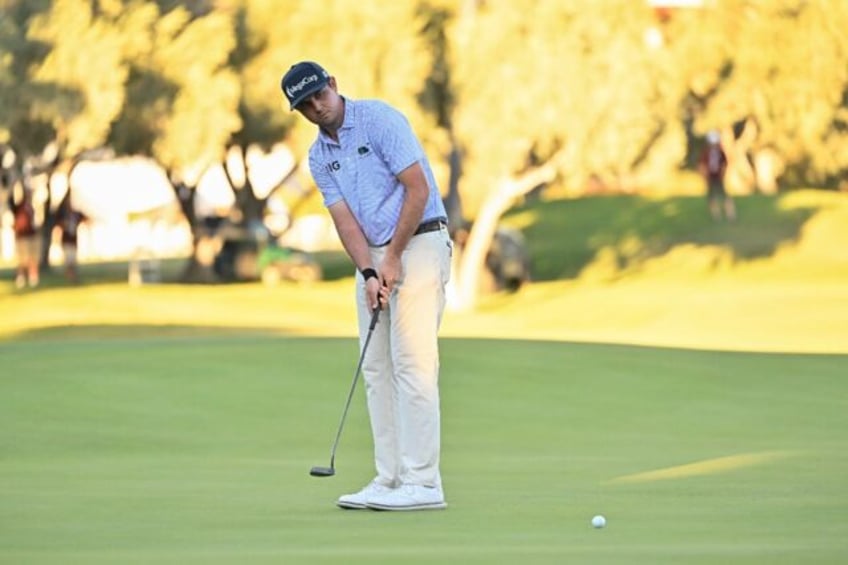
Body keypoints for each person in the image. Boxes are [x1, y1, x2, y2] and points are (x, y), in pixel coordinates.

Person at [281, 61, 452, 511]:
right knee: (376, 369)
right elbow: (345, 221)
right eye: (305, 104)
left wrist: (392, 257)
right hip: (377, 254)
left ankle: (424, 482)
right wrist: (370, 272)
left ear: (333, 86)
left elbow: (416, 189)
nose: (315, 106)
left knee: (412, 363)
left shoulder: (379, 119)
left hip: (420, 241)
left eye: (319, 94)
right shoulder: (319, 157)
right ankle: (390, 478)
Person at [698, 130, 736, 222]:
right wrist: (704, 175)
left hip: (719, 177)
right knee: (712, 197)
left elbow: (725, 164)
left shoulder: (720, 152)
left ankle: (730, 214)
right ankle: (716, 216)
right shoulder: (706, 152)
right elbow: (702, 165)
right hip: (710, 177)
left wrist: (723, 173)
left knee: (724, 195)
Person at [8, 188, 41, 289]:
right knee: (22, 259)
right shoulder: (19, 206)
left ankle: (33, 278)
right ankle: (20, 278)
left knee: (33, 258)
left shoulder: (31, 207)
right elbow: (11, 203)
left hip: (31, 235)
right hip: (22, 237)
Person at [56, 197, 87, 283]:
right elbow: (58, 225)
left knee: (73, 261)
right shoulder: (63, 215)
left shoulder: (76, 214)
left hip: (74, 241)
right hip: (66, 240)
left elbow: (85, 219)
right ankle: (69, 277)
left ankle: (73, 277)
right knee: (68, 260)